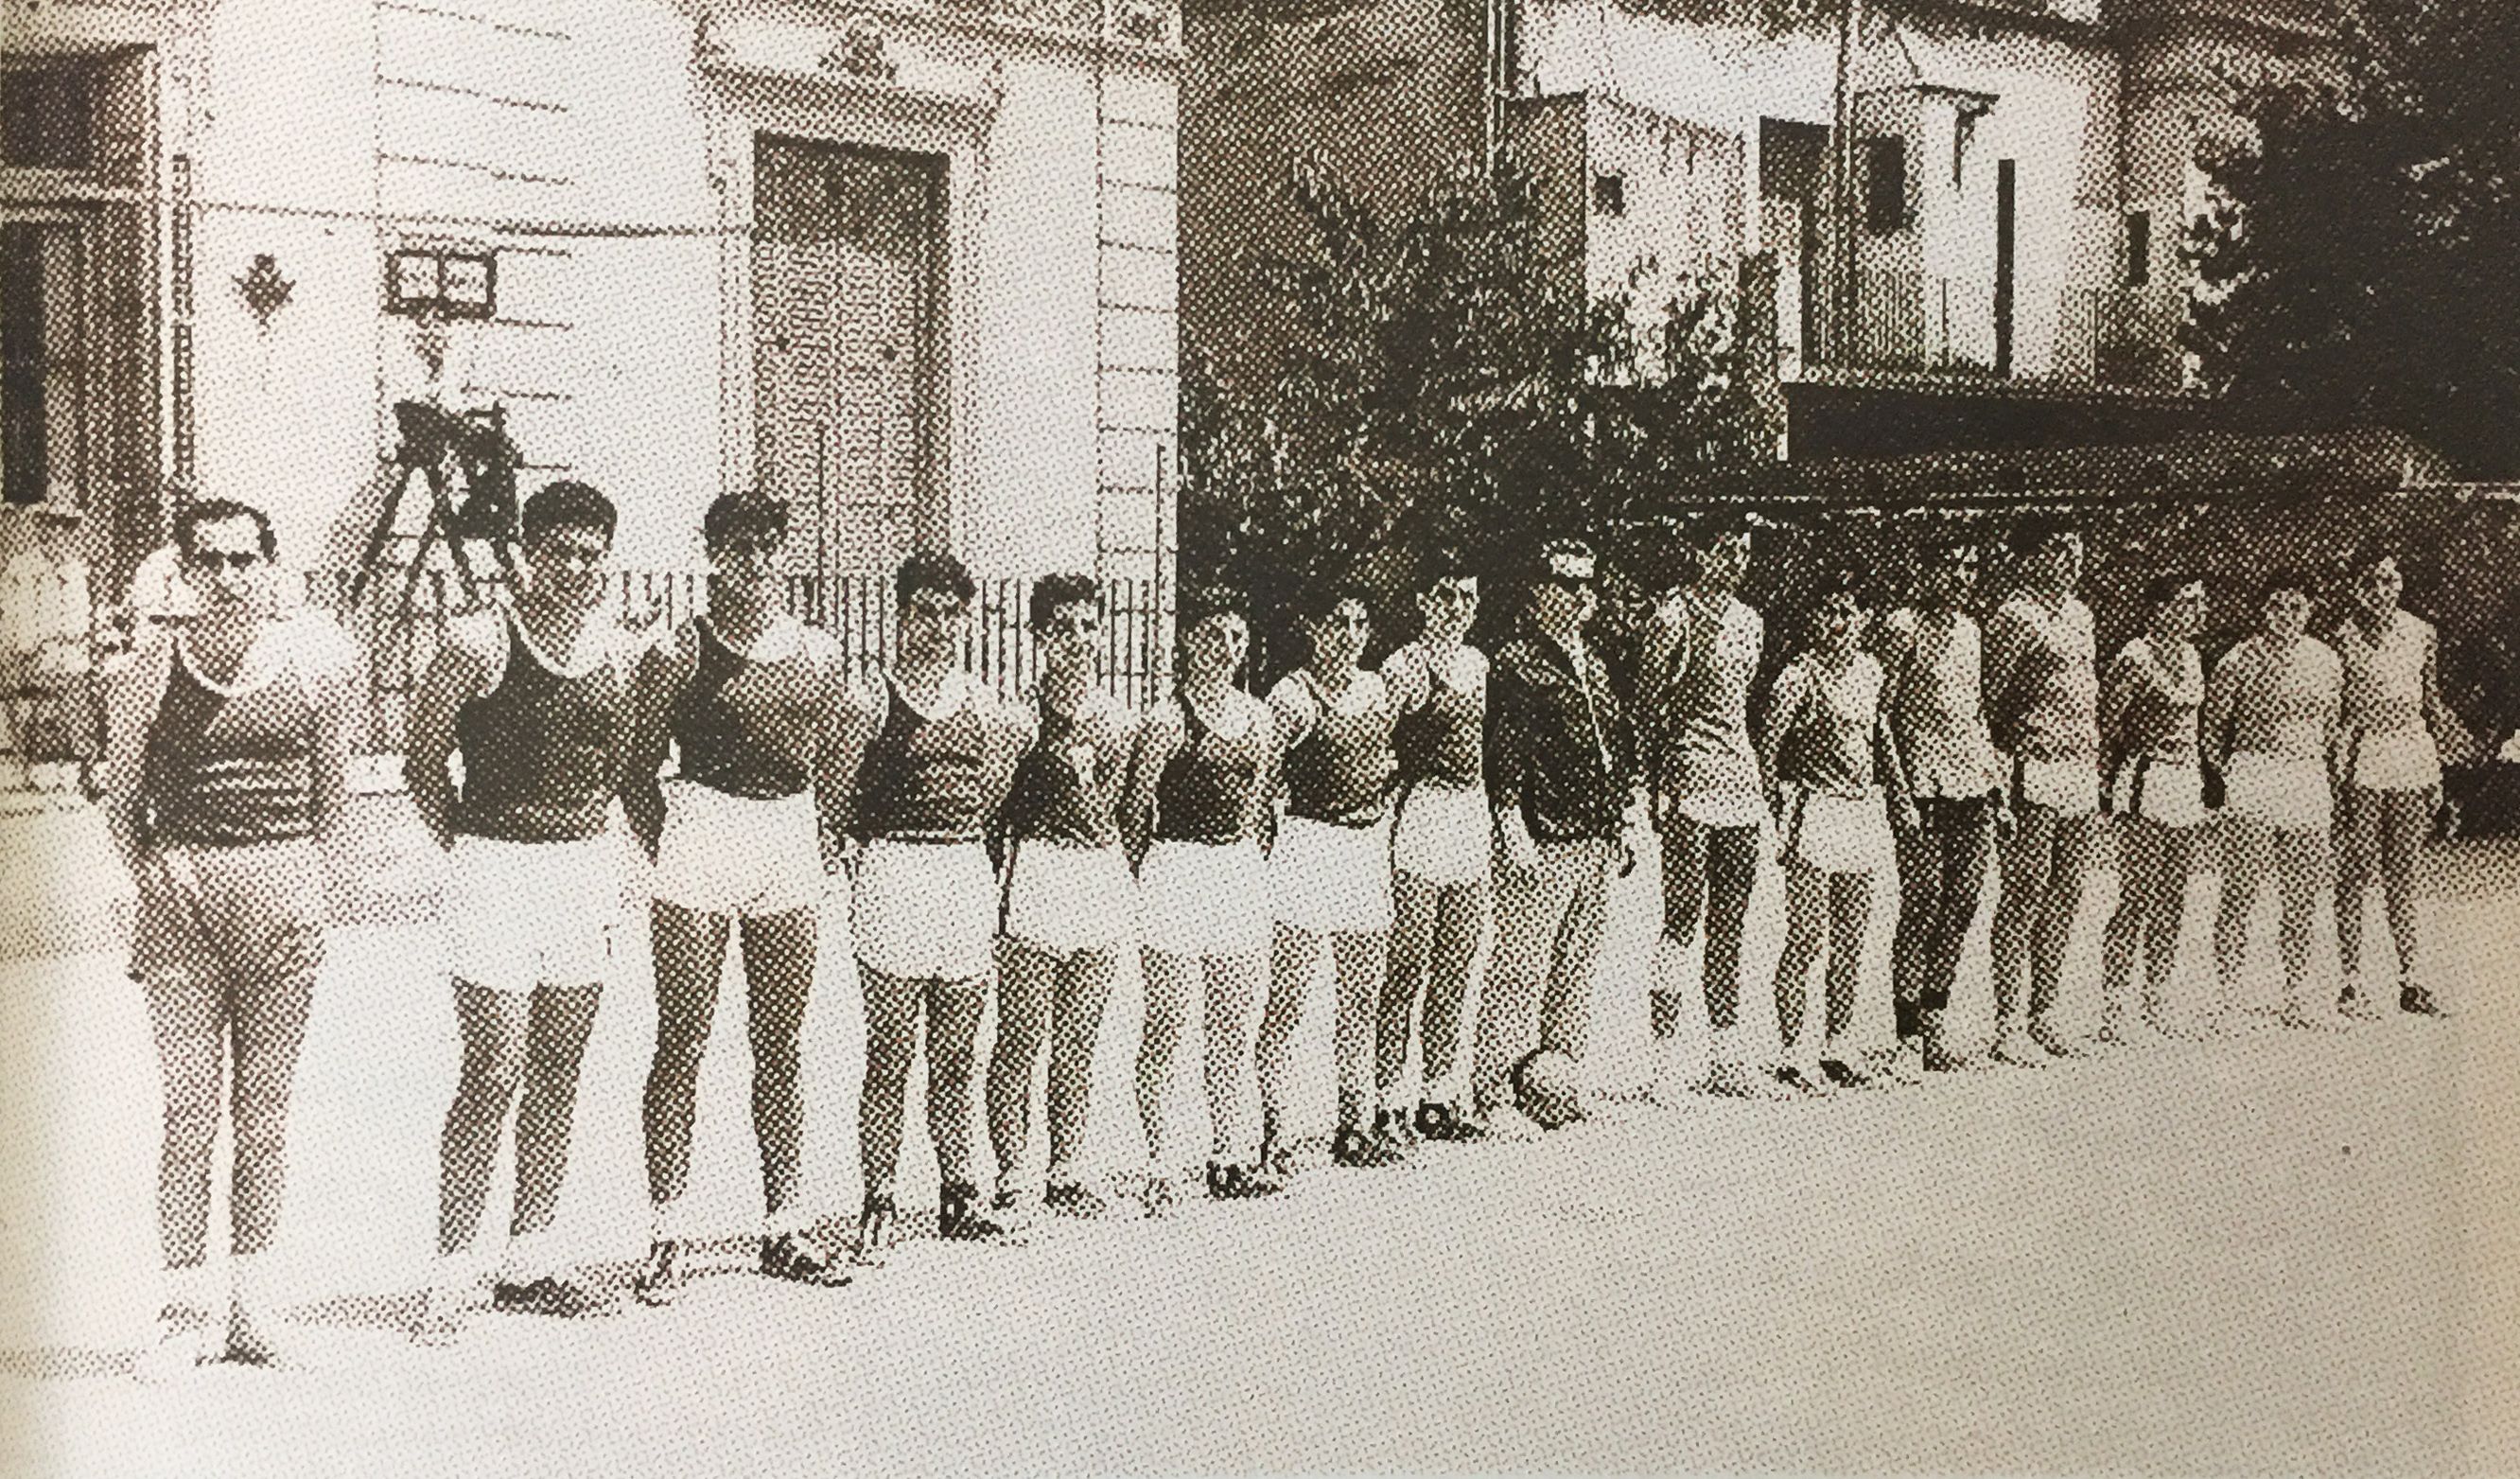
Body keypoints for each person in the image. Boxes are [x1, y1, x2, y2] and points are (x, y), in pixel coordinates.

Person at [99, 499, 359, 1375]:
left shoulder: (317, 666)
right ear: (183, 569)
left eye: (244, 560)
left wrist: (316, 891)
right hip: (183, 899)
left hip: (281, 891)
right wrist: (153, 870)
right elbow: (121, 802)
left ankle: (253, 1304)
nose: (227, 578)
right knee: (188, 1109)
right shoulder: (145, 671)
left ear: (270, 568)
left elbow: (334, 802)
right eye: (208, 560)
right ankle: (182, 1311)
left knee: (266, 1113)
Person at [407, 481, 639, 1339]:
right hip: (495, 872)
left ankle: (530, 1259)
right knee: (492, 1070)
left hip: (582, 872)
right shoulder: (477, 638)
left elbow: (618, 769)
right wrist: (472, 851)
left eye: (590, 553)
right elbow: (422, 763)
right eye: (559, 552)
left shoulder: (619, 649)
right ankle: (450, 1273)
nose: (575, 568)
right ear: (527, 556)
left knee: (558, 1073)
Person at [618, 494, 852, 1305]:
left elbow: (835, 763)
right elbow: (634, 771)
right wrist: (676, 852)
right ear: (711, 553)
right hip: (701, 834)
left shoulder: (819, 654)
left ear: (783, 552)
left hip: (784, 839)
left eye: (766, 547)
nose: (753, 562)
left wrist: (816, 845)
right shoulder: (676, 652)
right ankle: (666, 1233)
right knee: (681, 1038)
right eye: (737, 548)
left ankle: (785, 1224)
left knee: (780, 1044)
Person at [826, 550, 1032, 1259]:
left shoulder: (989, 706)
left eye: (951, 613)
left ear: (965, 620)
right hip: (892, 872)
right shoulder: (869, 699)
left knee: (956, 1052)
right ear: (902, 614)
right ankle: (878, 1199)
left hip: (962, 875)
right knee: (889, 1051)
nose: (939, 626)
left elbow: (995, 791)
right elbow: (837, 798)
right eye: (925, 611)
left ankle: (958, 1193)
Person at [1122, 585, 1286, 1213]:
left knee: (1233, 1023)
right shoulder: (1166, 720)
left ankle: (1228, 1154)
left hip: (1234, 871)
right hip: (1175, 869)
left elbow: (1258, 803)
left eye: (1237, 637)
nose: (1227, 648)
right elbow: (1137, 810)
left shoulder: (1260, 718)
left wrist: (1241, 864)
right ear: (1190, 640)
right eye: (1215, 634)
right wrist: (1149, 877)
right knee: (1166, 1020)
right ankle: (1159, 1162)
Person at [986, 574, 1136, 1223]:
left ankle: (1066, 1168)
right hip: (1037, 874)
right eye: (1064, 628)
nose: (1078, 640)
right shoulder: (1018, 718)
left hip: (1096, 879)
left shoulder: (1121, 719)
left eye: (1088, 626)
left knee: (1080, 1037)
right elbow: (990, 814)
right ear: (1041, 637)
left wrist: (1112, 875)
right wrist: (995, 897)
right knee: (1021, 1034)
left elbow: (1128, 811)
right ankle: (1014, 1171)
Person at [1472, 539, 1636, 1137]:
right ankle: (1491, 1089)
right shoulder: (1514, 663)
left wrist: (1621, 823)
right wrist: (1511, 824)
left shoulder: (1593, 663)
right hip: (1543, 832)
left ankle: (1553, 1085)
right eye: (1566, 584)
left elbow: (1613, 747)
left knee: (1576, 968)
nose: (1579, 597)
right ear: (1538, 593)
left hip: (1593, 833)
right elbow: (1505, 752)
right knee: (1519, 965)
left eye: (1586, 586)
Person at [1259, 579, 1406, 1171]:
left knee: (1361, 998)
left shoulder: (1377, 690)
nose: (1347, 637)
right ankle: (1274, 1134)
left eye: (1357, 625)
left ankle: (1354, 1124)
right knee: (1289, 999)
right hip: (1307, 848)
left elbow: (1388, 763)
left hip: (1363, 851)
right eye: (1335, 625)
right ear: (1313, 631)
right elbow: (1263, 779)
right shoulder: (1291, 697)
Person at [1759, 574, 1910, 1094]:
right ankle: (1789, 1051)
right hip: (1813, 808)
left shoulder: (1872, 671)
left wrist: (1900, 794)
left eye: (1847, 612)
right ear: (1812, 619)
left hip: (1861, 810)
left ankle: (1837, 1044)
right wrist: (1774, 810)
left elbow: (1880, 734)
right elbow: (1769, 745)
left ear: (1863, 618)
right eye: (1827, 613)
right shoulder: (1797, 675)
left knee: (1852, 937)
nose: (1838, 624)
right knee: (1806, 936)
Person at [1639, 516, 1771, 1099]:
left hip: (1738, 779)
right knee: (1683, 917)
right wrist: (1655, 785)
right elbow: (1648, 708)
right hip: (1689, 777)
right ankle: (1665, 1060)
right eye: (1724, 549)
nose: (1735, 561)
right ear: (1697, 552)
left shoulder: (1752, 621)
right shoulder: (1672, 616)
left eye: (1743, 551)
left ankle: (1725, 1055)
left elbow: (1744, 706)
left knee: (1731, 924)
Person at [1872, 535, 2004, 1075]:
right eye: (1949, 566)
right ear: (1923, 570)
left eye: (1969, 566)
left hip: (1970, 783)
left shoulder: (1972, 631)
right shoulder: (1902, 627)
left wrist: (1995, 788)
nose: (1960, 577)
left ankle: (1936, 1019)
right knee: (1922, 901)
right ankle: (1905, 1033)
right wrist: (1898, 791)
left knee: (1964, 899)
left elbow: (1975, 714)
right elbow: (1879, 715)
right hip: (1921, 786)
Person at [1374, 550, 1491, 1144]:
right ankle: (1386, 1100)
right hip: (1420, 811)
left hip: (1468, 816)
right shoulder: (1403, 664)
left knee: (1456, 962)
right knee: (1408, 963)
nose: (1457, 609)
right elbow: (1380, 746)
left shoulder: (1477, 662)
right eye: (1446, 596)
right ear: (1423, 602)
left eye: (1468, 597)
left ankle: (1438, 1095)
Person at [1982, 517, 2104, 1065]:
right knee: (2024, 893)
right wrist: (2004, 771)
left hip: (2080, 767)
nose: (2069, 559)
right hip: (2033, 766)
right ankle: (2008, 1025)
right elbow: (1993, 698)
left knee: (2067, 892)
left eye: (2076, 549)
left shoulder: (2081, 614)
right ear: (2031, 557)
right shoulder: (2013, 615)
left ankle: (2044, 1013)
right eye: (2057, 548)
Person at [2329, 544, 2469, 1019]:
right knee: (2356, 868)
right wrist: (2336, 771)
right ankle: (2351, 982)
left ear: (2400, 583)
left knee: (2403, 872)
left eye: (2389, 581)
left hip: (2411, 752)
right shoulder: (2342, 638)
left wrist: (2443, 767)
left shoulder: (2422, 633)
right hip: (2364, 751)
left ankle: (2410, 980)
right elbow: (2339, 711)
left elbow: (2430, 700)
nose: (2380, 591)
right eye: (2370, 582)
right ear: (2356, 588)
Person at [2206, 570, 2346, 1032]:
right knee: (2241, 887)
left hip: (2306, 777)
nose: (2286, 616)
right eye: (2277, 606)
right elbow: (2213, 729)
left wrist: (2326, 774)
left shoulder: (2326, 660)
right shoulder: (2237, 659)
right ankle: (2228, 995)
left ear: (2309, 611)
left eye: (2297, 607)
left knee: (2302, 893)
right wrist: (2227, 777)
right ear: (2263, 610)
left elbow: (2330, 729)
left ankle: (2297, 992)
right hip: (2254, 773)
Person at [2097, 572, 2211, 1044]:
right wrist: (2107, 785)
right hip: (2145, 780)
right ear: (2161, 609)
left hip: (2184, 783)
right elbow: (2106, 723)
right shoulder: (2134, 656)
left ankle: (2157, 997)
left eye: (2201, 602)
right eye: (2189, 602)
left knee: (2174, 896)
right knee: (2137, 894)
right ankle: (2114, 1005)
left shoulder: (2193, 656)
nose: (2200, 611)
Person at [2, 502, 95, 791]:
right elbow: (14, 609)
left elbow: (81, 615)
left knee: (77, 705)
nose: (56, 533)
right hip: (31, 648)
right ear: (40, 530)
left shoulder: (76, 570)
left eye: (64, 527)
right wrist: (27, 645)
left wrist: (69, 641)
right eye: (50, 526)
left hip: (67, 651)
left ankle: (85, 768)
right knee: (24, 706)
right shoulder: (23, 568)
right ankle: (22, 766)